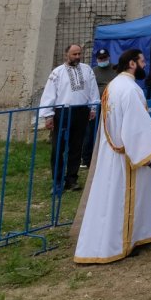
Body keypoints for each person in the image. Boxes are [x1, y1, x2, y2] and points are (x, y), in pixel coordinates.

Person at [74, 49, 151, 264]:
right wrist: (149, 151)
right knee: (126, 198)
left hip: (112, 152)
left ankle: (128, 236)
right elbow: (135, 126)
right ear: (132, 64)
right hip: (129, 153)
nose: (145, 65)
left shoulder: (114, 85)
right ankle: (125, 241)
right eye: (142, 61)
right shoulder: (131, 89)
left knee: (111, 198)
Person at [38, 43, 99, 192]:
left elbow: (93, 90)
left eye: (79, 54)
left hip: (81, 111)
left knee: (76, 147)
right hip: (63, 112)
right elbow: (49, 93)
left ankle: (72, 179)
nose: (77, 57)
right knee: (58, 147)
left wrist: (93, 107)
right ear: (67, 55)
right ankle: (57, 181)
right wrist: (48, 115)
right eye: (74, 54)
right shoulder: (57, 73)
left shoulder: (87, 70)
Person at [82, 48, 120, 167]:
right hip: (96, 105)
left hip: (112, 105)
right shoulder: (93, 71)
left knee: (111, 130)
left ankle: (109, 157)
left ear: (108, 57)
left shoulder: (116, 70)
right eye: (100, 58)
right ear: (97, 59)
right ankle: (86, 159)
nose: (102, 60)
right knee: (90, 131)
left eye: (104, 58)